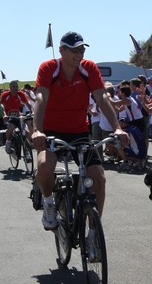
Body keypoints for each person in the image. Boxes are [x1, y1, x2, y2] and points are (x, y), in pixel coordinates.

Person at [31, 32, 127, 261]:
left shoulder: (89, 68)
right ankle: (48, 202)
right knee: (44, 165)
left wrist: (117, 128)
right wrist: (37, 129)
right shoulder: (48, 68)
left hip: (79, 132)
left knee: (99, 178)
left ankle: (93, 234)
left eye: (82, 50)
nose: (79, 54)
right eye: (74, 50)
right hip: (51, 130)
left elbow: (102, 98)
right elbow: (41, 99)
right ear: (62, 51)